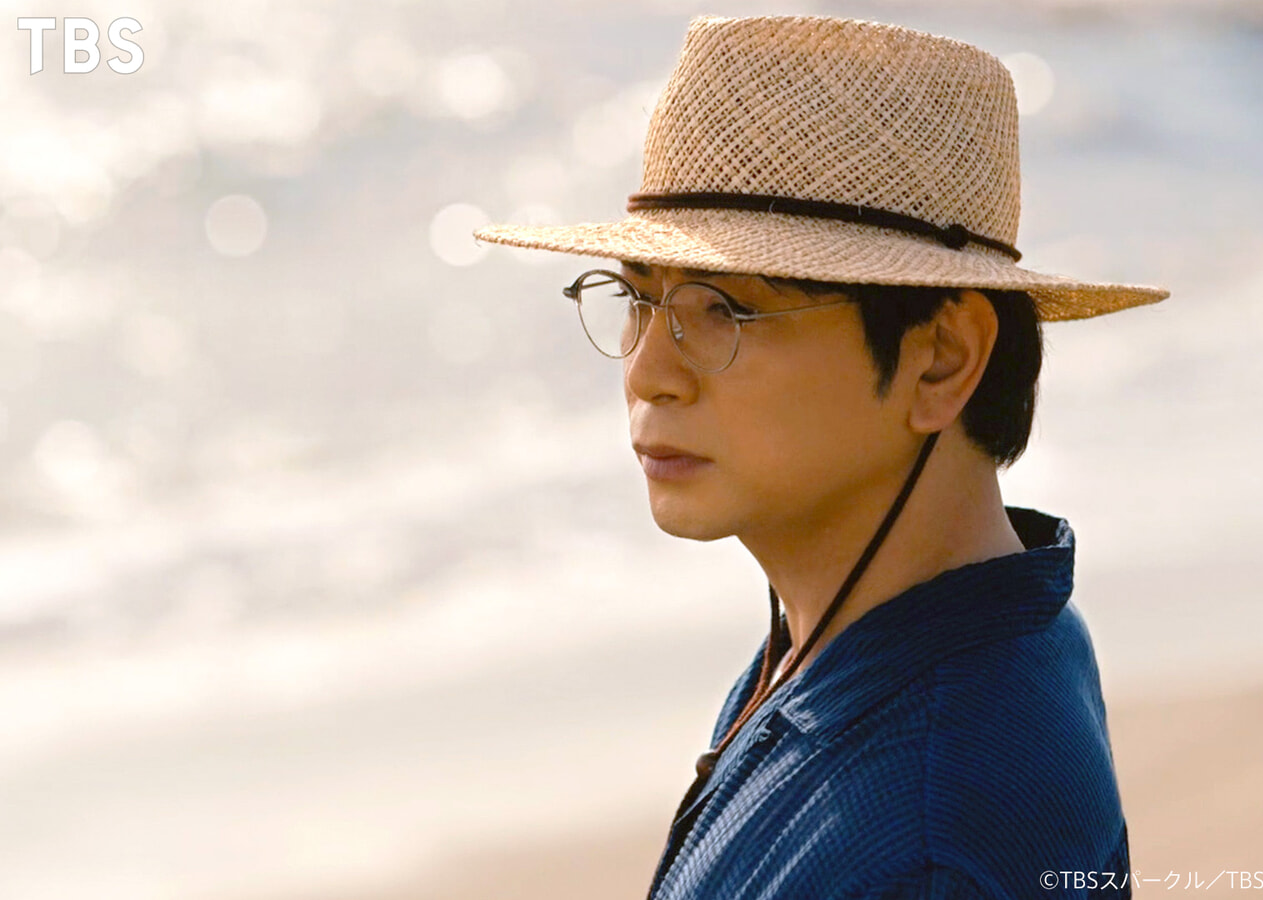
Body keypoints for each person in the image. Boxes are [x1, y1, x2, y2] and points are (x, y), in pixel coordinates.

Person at [472, 14, 1169, 899]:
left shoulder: (923, 840)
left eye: (725, 309)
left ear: (941, 356)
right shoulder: (913, 630)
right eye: (637, 300)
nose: (648, 373)